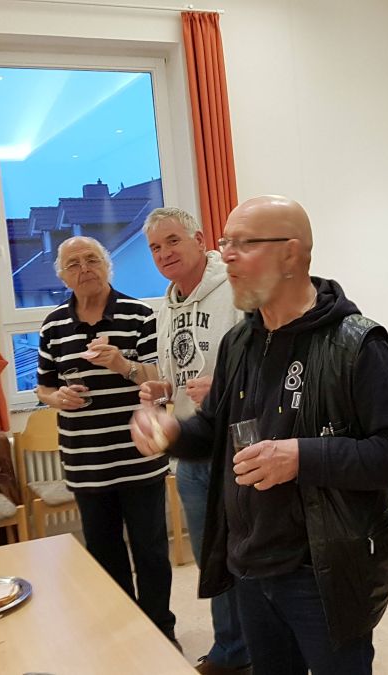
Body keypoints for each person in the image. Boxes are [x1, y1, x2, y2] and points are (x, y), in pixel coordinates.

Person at [132, 195, 388, 674]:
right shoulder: (239, 342)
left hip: (322, 571)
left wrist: (301, 457)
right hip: (251, 566)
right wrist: (172, 433)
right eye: (225, 242)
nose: (226, 255)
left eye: (243, 244)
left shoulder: (355, 342)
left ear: (291, 254)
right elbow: (212, 431)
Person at [34, 236, 178, 643]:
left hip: (139, 456)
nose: (84, 269)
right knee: (104, 552)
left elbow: (162, 379)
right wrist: (57, 398)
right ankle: (124, 633)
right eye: (73, 263)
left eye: (92, 259)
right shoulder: (53, 325)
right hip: (85, 461)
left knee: (151, 550)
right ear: (62, 276)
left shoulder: (139, 315)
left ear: (106, 265)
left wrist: (121, 363)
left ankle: (160, 631)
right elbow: (43, 387)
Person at [144, 206, 249, 674]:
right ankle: (232, 650)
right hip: (192, 450)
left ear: (200, 240)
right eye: (155, 247)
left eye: (172, 241)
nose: (164, 253)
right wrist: (161, 390)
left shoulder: (234, 287)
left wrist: (224, 386)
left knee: (246, 554)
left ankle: (260, 648)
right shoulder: (166, 306)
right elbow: (177, 374)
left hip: (237, 445)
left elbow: (262, 358)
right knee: (212, 559)